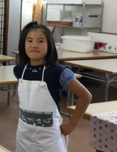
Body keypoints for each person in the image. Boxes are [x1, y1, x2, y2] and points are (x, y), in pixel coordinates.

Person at [14, 21, 92, 152]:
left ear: (49, 45)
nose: (34, 45)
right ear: (23, 44)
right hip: (24, 134)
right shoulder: (19, 70)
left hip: (49, 138)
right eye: (29, 41)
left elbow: (85, 96)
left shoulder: (58, 72)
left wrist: (72, 123)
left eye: (40, 41)